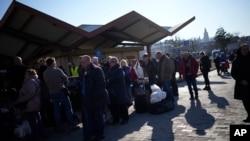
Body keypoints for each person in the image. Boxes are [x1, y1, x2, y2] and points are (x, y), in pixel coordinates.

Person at [80, 55, 109, 141]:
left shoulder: (96, 70)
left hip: (95, 99)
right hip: (87, 98)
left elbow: (100, 85)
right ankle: (92, 133)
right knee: (89, 118)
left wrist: (93, 96)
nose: (81, 64)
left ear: (89, 61)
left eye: (83, 62)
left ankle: (100, 134)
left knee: (97, 117)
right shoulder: (84, 70)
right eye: (81, 62)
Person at [43, 57, 75, 132]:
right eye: (54, 62)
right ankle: (71, 124)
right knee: (68, 108)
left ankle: (58, 126)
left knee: (56, 110)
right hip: (60, 90)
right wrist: (64, 84)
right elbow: (65, 78)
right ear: (52, 63)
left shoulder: (45, 73)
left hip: (52, 92)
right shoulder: (57, 70)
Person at [15, 69, 45, 141]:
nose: (24, 75)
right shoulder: (36, 80)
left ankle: (36, 136)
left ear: (29, 74)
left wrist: (21, 100)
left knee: (33, 122)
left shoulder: (30, 82)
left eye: (26, 74)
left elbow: (31, 93)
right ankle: (42, 135)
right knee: (37, 119)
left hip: (30, 104)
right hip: (35, 102)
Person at [106, 57, 129, 125]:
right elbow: (106, 77)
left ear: (115, 62)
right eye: (109, 62)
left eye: (111, 62)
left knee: (122, 105)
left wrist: (110, 80)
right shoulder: (110, 70)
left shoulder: (119, 69)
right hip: (112, 91)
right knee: (113, 106)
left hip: (119, 90)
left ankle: (125, 119)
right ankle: (116, 119)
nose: (109, 63)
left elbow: (120, 77)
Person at [231, 44, 250, 123]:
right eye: (243, 49)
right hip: (241, 84)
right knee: (245, 102)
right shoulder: (236, 60)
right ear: (240, 50)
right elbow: (233, 73)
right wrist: (241, 80)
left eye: (246, 49)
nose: (245, 51)